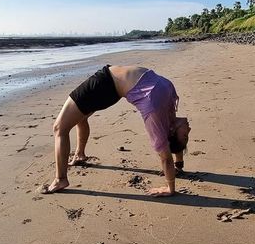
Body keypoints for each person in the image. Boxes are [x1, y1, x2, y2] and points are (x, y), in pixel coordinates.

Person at [43, 65, 191, 197]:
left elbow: (165, 155)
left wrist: (170, 188)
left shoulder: (155, 112)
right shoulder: (169, 112)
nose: (189, 129)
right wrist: (179, 165)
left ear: (172, 130)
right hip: (112, 87)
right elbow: (173, 144)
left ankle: (60, 179)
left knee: (59, 128)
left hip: (105, 82)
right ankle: (80, 154)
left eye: (185, 135)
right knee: (80, 116)